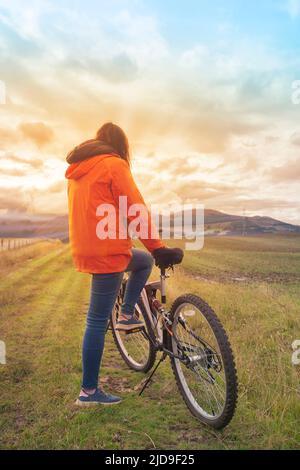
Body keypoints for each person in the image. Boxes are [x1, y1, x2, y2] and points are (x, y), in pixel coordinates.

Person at [65, 122, 183, 407]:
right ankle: (89, 393)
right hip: (108, 252)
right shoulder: (113, 164)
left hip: (88, 248)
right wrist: (157, 247)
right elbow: (135, 209)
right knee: (95, 320)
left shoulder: (77, 171)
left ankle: (127, 312)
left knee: (140, 262)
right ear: (121, 145)